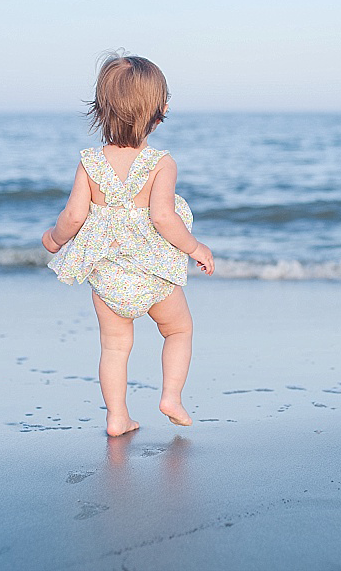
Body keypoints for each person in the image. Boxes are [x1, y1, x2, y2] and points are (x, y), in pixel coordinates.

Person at [42, 54, 214, 437]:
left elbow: (72, 217)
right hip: (155, 278)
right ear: (159, 112)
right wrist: (195, 247)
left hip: (109, 281)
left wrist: (53, 240)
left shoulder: (90, 163)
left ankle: (117, 417)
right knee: (178, 331)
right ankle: (171, 396)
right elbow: (163, 218)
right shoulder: (160, 163)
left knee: (115, 348)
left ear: (101, 109)